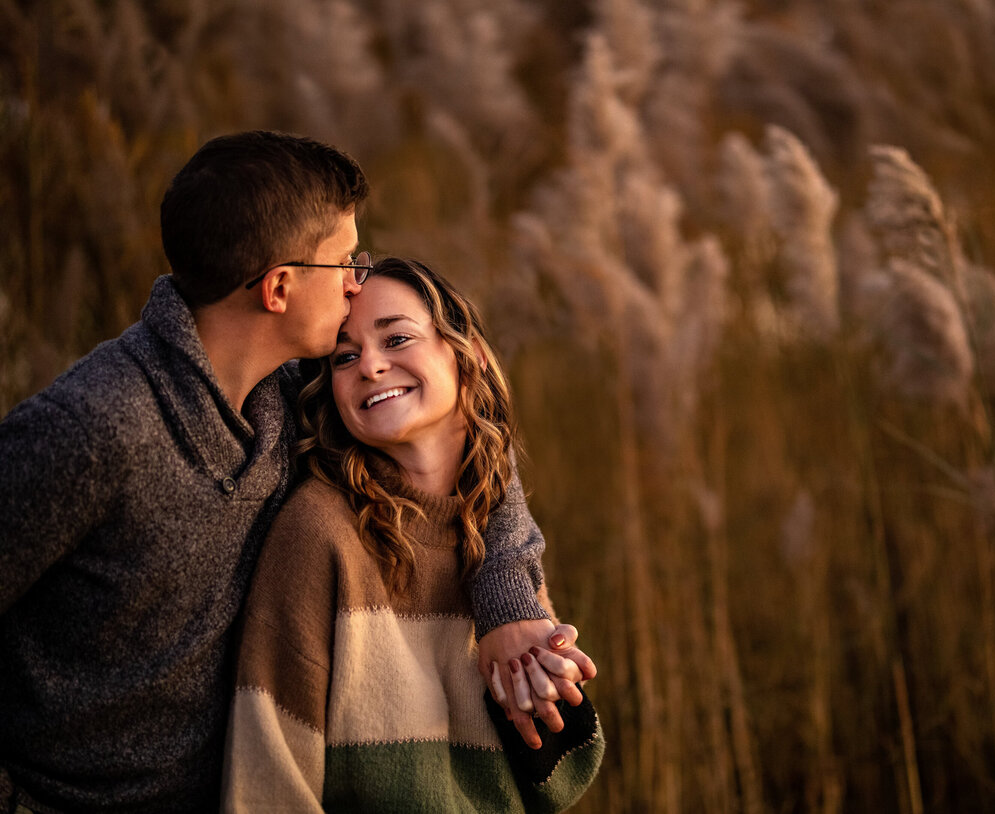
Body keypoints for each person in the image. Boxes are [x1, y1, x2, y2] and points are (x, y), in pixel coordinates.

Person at [0, 132, 585, 814]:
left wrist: (507, 602)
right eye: (342, 262)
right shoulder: (94, 429)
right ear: (279, 287)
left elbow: (456, 430)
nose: (356, 282)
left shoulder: (289, 392)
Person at [221, 257, 604, 812]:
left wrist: (545, 696)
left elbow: (559, 781)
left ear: (465, 355)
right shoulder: (319, 532)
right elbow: (269, 780)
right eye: (344, 356)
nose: (371, 366)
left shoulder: (502, 550)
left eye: (397, 338)